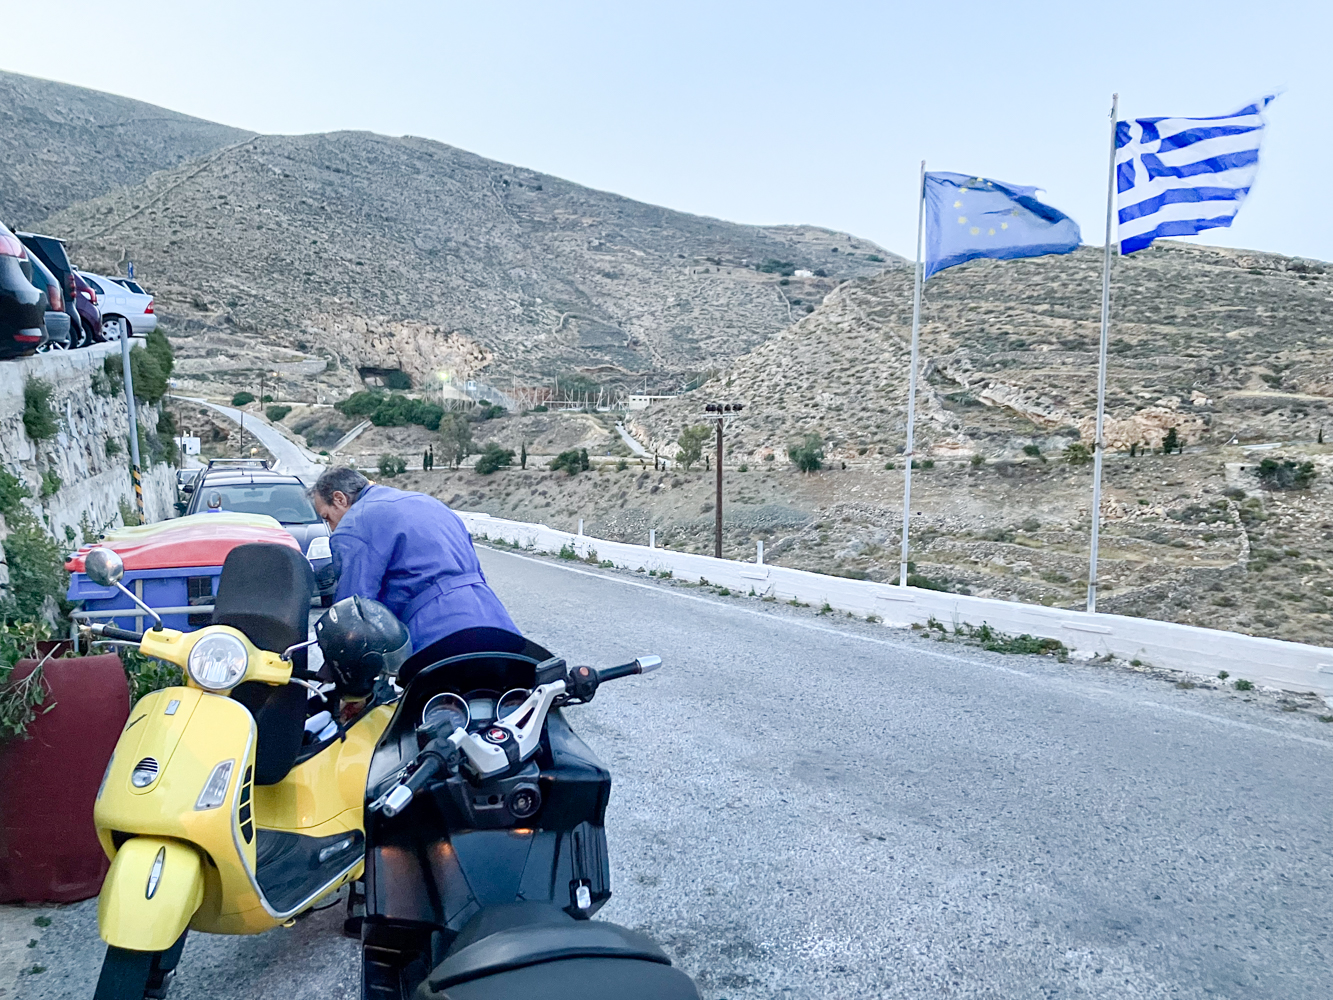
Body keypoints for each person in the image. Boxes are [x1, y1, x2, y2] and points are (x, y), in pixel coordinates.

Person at [308, 467, 517, 653]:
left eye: (327, 518)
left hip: (436, 634)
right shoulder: (427, 502)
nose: (332, 528)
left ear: (339, 499)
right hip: (496, 620)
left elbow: (354, 612)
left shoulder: (354, 524)